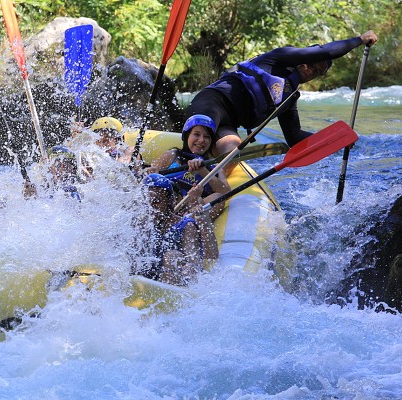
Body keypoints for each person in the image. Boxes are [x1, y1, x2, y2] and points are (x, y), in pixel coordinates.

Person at [186, 31, 379, 160]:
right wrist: (359, 40)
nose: (309, 69)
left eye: (317, 71)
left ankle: (206, 187)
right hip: (213, 101)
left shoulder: (289, 99)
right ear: (304, 58)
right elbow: (326, 50)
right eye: (310, 63)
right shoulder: (278, 57)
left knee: (231, 152)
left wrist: (335, 142)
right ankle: (178, 163)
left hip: (229, 124)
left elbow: (294, 138)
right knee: (202, 130)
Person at [146, 114, 231, 216]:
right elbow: (147, 176)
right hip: (166, 202)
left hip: (191, 209)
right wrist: (150, 173)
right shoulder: (173, 155)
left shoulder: (216, 168)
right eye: (196, 134)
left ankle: (188, 222)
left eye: (207, 137)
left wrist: (203, 171)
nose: (201, 140)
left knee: (217, 198)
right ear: (187, 136)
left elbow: (226, 193)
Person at [141, 173, 218, 285]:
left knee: (171, 257)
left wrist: (202, 219)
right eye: (147, 201)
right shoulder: (141, 224)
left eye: (156, 202)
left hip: (175, 278)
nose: (151, 207)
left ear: (168, 202)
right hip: (150, 275)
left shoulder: (186, 225)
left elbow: (194, 262)